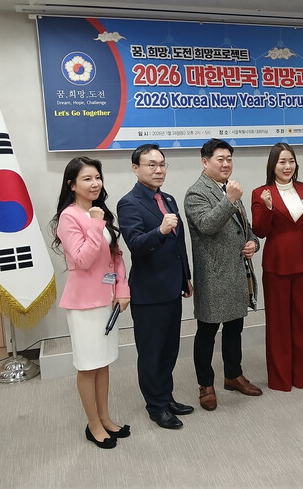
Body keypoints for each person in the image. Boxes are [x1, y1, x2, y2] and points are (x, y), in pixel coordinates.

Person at [51, 157, 131, 449]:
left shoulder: (100, 212)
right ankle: (93, 424)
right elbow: (82, 259)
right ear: (71, 185)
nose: (95, 183)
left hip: (108, 299)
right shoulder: (69, 217)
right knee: (88, 365)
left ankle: (105, 418)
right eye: (87, 178)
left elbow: (115, 255)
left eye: (97, 177)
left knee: (103, 362)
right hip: (84, 303)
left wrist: (122, 288)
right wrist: (96, 224)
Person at [116, 144, 194, 430]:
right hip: (149, 291)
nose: (158, 170)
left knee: (169, 349)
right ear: (135, 168)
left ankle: (166, 396)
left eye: (162, 164)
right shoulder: (129, 203)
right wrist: (159, 230)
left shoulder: (168, 198)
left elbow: (178, 243)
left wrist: (185, 276)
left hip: (172, 286)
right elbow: (136, 244)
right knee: (151, 352)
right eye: (151, 165)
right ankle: (156, 406)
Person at [184, 138, 262, 410]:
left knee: (235, 328)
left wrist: (253, 243)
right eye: (220, 159)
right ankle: (206, 384)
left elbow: (245, 228)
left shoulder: (230, 188)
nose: (226, 163)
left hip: (237, 273)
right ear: (205, 162)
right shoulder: (196, 193)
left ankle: (233, 375)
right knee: (207, 332)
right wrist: (229, 199)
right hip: (214, 276)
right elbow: (206, 225)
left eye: (229, 158)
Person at [251, 143, 303, 391]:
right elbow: (260, 230)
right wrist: (268, 208)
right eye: (282, 162)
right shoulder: (261, 193)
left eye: (291, 161)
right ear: (273, 165)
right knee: (278, 324)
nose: (287, 166)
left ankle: (301, 376)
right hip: (276, 265)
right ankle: (280, 379)